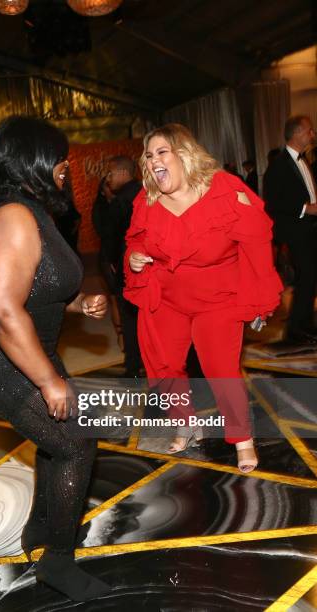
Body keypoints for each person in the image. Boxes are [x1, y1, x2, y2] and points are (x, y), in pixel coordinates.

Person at [0, 116, 111, 602]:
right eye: (59, 156)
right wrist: (47, 380)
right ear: (34, 159)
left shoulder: (25, 210)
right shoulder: (13, 216)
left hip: (17, 347)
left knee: (56, 437)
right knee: (75, 441)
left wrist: (77, 303)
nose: (66, 165)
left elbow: (31, 286)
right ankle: (57, 564)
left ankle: (42, 531)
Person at [123, 123, 283, 472]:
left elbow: (256, 244)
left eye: (161, 152)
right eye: (149, 156)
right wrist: (134, 258)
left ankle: (242, 438)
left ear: (183, 154)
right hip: (167, 297)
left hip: (218, 298)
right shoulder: (147, 200)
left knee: (221, 368)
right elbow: (135, 241)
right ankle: (186, 421)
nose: (153, 162)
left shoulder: (225, 190)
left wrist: (260, 298)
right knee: (163, 366)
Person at [263, 115, 317, 344]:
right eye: (309, 131)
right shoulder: (278, 165)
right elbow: (273, 202)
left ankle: (303, 324)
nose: (312, 134)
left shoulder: (304, 161)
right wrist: (307, 208)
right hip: (296, 231)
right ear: (297, 134)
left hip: (310, 229)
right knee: (306, 277)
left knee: (310, 278)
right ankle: (296, 328)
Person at [105, 156, 143, 377]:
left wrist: (113, 263)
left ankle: (132, 366)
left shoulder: (121, 201)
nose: (109, 179)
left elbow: (113, 239)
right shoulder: (146, 194)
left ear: (122, 173)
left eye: (110, 174)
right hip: (148, 267)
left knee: (129, 320)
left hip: (128, 269)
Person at [92, 176, 123, 349]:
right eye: (107, 185)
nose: (111, 187)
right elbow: (105, 235)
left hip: (121, 256)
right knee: (115, 298)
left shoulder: (121, 204)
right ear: (102, 191)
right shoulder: (102, 209)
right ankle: (121, 336)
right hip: (108, 258)